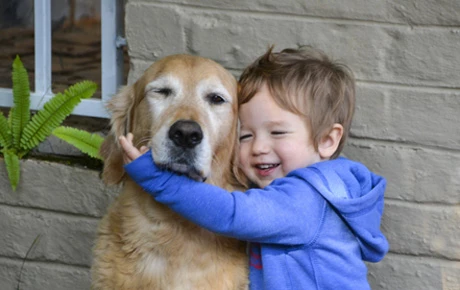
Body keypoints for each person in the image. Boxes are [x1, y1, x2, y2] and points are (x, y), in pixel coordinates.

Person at [119, 46, 389, 289]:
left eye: (278, 133)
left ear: (327, 140)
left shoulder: (308, 200)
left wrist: (156, 178)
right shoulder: (314, 187)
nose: (258, 147)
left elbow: (231, 214)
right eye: (245, 135)